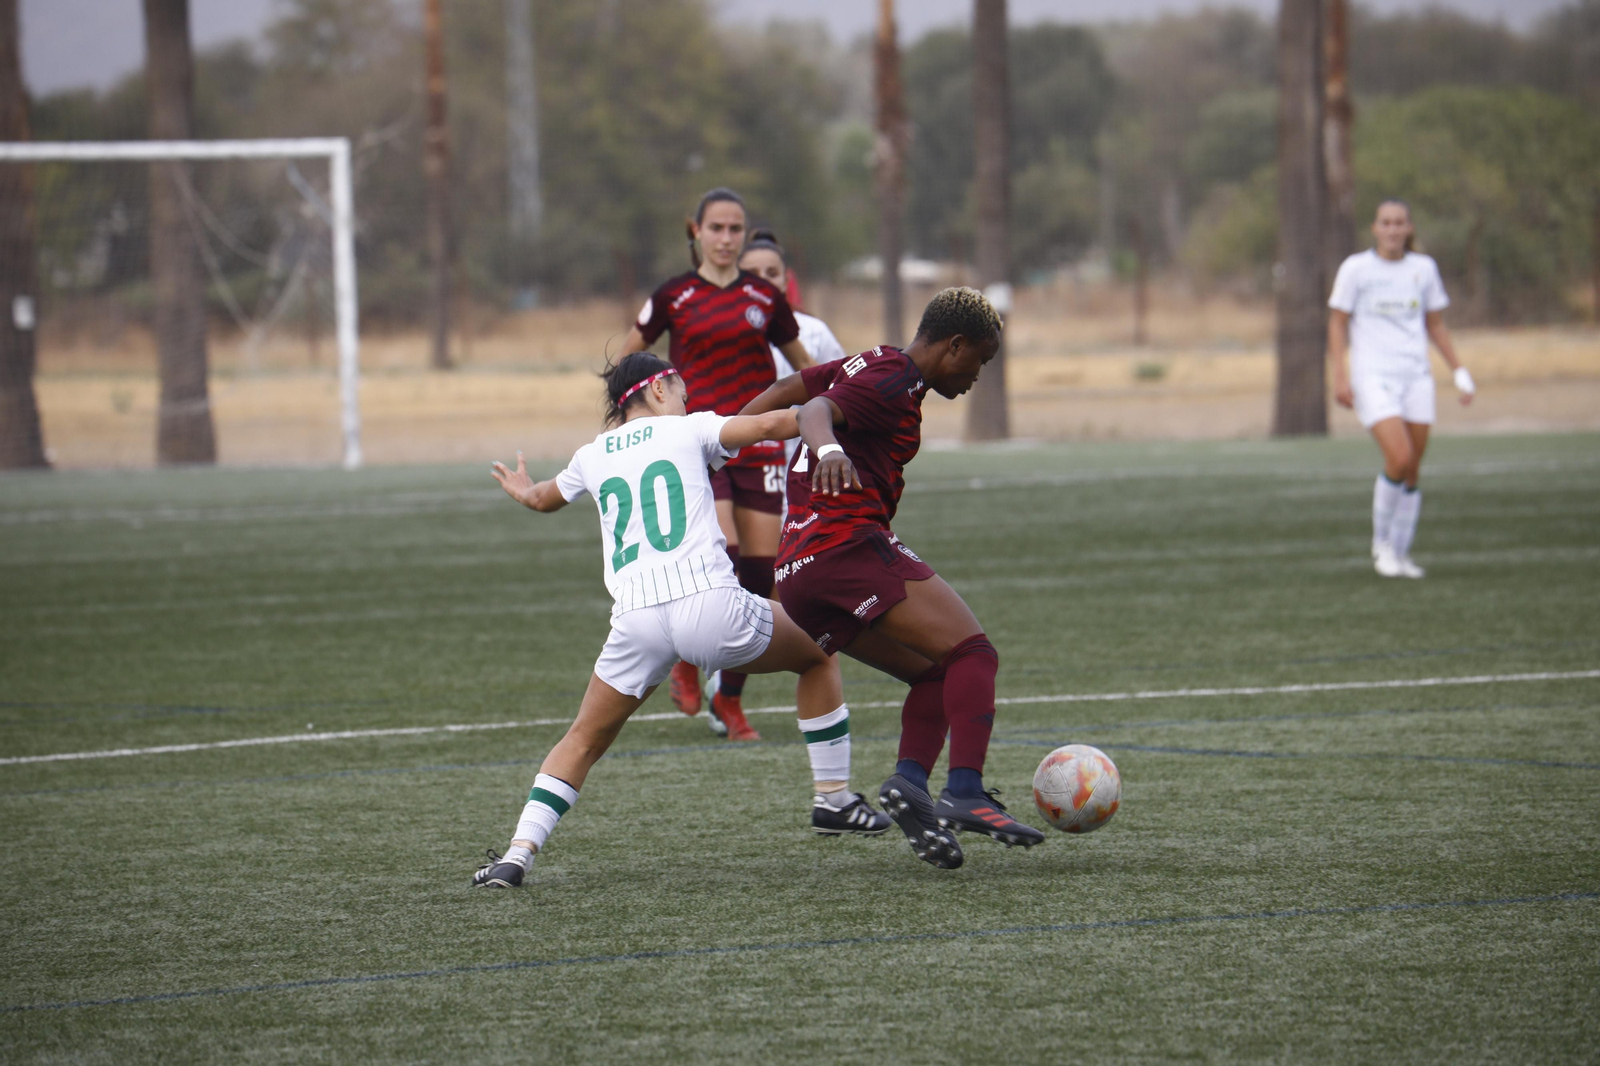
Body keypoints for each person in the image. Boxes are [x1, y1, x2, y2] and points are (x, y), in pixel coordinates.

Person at [473, 352, 890, 889]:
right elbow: (770, 425)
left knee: (583, 739)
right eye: (682, 393)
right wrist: (838, 411)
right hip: (708, 605)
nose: (687, 403)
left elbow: (540, 498)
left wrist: (521, 488)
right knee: (819, 652)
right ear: (657, 390)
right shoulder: (689, 430)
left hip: (636, 620)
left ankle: (517, 854)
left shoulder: (590, 455)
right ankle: (833, 799)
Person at [741, 288, 1046, 871]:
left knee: (933, 674)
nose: (977, 375)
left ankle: (910, 785)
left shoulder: (875, 361)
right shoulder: (894, 379)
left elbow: (789, 387)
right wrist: (827, 449)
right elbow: (812, 410)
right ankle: (965, 791)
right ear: (954, 345)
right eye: (979, 360)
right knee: (974, 653)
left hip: (798, 572)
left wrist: (723, 438)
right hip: (844, 547)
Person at [618, 189, 815, 740]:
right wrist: (632, 422)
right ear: (696, 231)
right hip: (697, 443)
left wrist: (833, 411)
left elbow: (804, 369)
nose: (726, 239)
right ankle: (687, 658)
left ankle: (728, 695)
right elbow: (627, 363)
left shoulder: (763, 297)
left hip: (758, 443)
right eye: (716, 228)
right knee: (722, 548)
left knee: (761, 575)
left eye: (735, 229)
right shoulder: (673, 295)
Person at [1329, 199, 1475, 579]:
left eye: (1399, 223)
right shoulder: (1356, 269)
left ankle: (1401, 551)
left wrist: (1458, 370)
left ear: (1409, 228)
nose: (1393, 229)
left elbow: (1435, 324)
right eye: (1386, 223)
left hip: (1416, 376)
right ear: (1375, 228)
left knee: (1413, 469)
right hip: (1373, 376)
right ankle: (1381, 545)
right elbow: (1337, 322)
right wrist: (1340, 375)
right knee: (1399, 456)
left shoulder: (1423, 269)